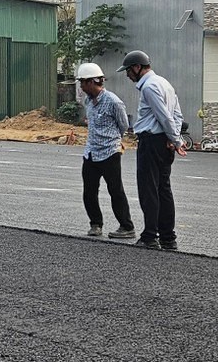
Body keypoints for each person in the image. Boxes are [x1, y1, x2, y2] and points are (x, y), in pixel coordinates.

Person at [120, 49, 182, 251]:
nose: (128, 75)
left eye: (129, 71)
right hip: (163, 141)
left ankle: (150, 236)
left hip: (151, 141)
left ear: (137, 67)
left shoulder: (149, 87)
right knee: (164, 189)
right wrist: (173, 139)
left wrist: (176, 140)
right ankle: (168, 237)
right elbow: (177, 115)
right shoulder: (165, 83)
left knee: (149, 189)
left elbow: (164, 116)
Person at [75, 63, 135, 240]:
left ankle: (126, 226)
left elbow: (123, 125)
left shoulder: (113, 102)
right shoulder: (88, 101)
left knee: (115, 191)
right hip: (91, 153)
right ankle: (95, 224)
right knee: (89, 191)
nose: (81, 86)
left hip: (110, 153)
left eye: (83, 83)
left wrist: (112, 140)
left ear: (92, 82)